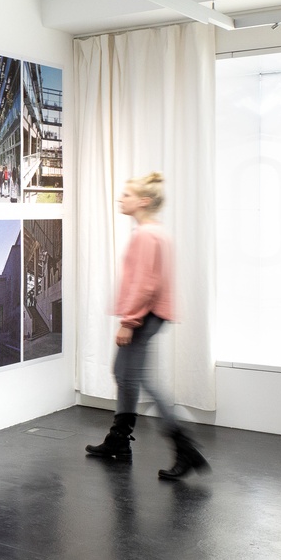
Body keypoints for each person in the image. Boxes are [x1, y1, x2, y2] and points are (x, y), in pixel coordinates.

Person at [85, 172, 210, 479]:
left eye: (126, 195)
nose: (120, 198)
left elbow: (145, 285)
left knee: (140, 379)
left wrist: (129, 322)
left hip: (145, 315)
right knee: (123, 373)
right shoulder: (156, 232)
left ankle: (185, 447)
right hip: (152, 314)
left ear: (143, 201)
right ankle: (118, 439)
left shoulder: (146, 235)